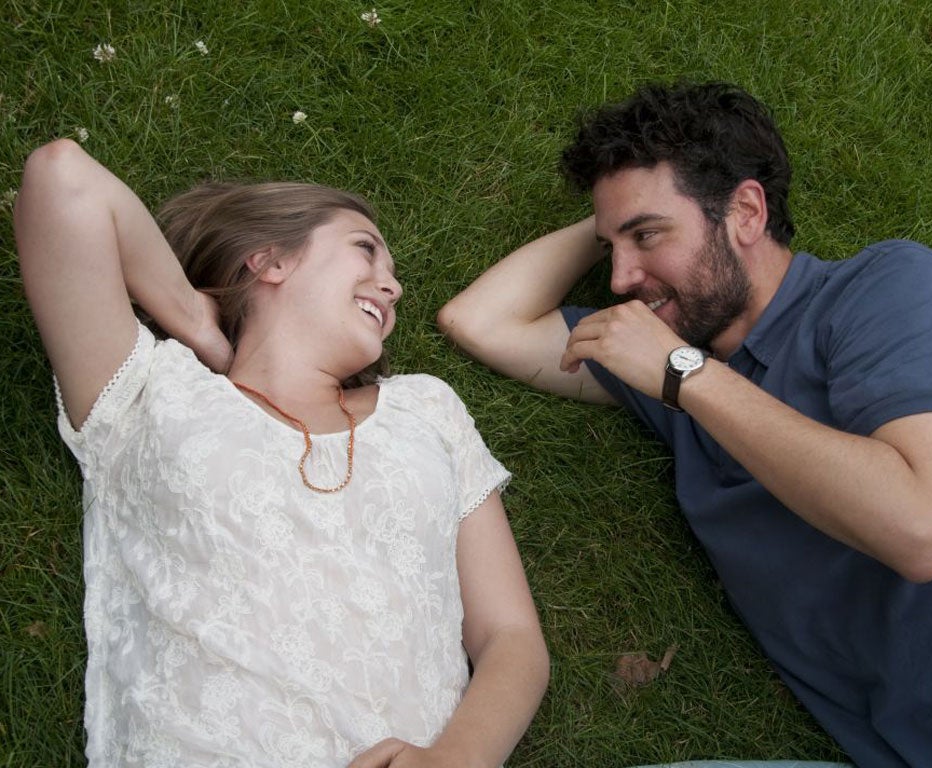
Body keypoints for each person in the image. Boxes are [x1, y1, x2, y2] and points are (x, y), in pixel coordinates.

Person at [438, 80, 932, 766]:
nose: (622, 278)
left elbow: (919, 529)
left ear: (745, 211)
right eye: (612, 247)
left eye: (649, 235)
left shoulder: (885, 290)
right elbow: (479, 321)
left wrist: (684, 376)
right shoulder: (670, 376)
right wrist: (616, 222)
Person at [15, 138, 549, 767]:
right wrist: (191, 317)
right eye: (365, 249)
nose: (394, 285)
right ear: (268, 260)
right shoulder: (148, 393)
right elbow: (60, 179)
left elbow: (511, 636)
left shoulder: (426, 410)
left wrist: (458, 758)